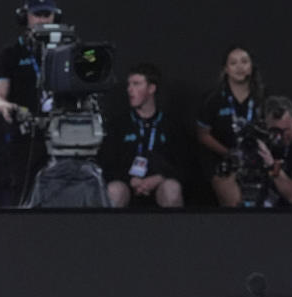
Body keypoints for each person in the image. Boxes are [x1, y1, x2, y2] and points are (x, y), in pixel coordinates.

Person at [0, 0, 61, 207]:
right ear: (25, 16)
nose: (41, 20)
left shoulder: (64, 51)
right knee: (20, 194)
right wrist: (6, 108)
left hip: (58, 134)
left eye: (46, 14)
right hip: (24, 136)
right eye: (36, 14)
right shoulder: (11, 53)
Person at [99, 63, 184, 208]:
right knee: (114, 190)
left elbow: (184, 164)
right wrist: (130, 179)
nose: (130, 90)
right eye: (129, 84)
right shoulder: (119, 124)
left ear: (151, 88)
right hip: (128, 184)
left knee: (172, 188)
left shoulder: (171, 125)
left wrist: (159, 178)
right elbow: (106, 164)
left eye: (136, 84)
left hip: (159, 184)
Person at [195, 45, 265, 207]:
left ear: (251, 66)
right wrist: (229, 153)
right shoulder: (214, 99)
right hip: (224, 161)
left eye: (244, 62)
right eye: (233, 63)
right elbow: (203, 134)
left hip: (257, 161)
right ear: (226, 69)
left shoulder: (263, 97)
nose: (239, 67)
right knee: (237, 204)